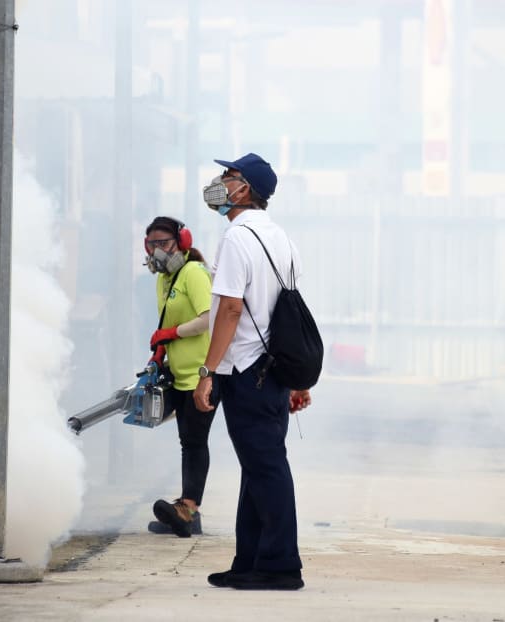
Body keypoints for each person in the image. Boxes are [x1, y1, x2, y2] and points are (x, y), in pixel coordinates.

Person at [193, 153, 312, 590]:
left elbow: (229, 308)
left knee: (267, 468)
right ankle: (251, 561)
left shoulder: (237, 239)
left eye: (229, 176)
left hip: (246, 370)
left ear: (245, 189)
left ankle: (281, 566)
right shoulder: (282, 238)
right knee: (257, 467)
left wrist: (208, 370)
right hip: (273, 370)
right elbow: (288, 312)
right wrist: (296, 379)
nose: (220, 182)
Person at [143, 216, 217, 538]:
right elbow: (166, 323)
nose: (158, 251)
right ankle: (187, 511)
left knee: (195, 441)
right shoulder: (164, 279)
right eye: (152, 245)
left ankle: (188, 509)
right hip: (178, 372)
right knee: (184, 438)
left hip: (203, 374)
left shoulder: (194, 274)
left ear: (182, 243)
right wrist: (161, 349)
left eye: (164, 243)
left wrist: (171, 332)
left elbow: (208, 319)